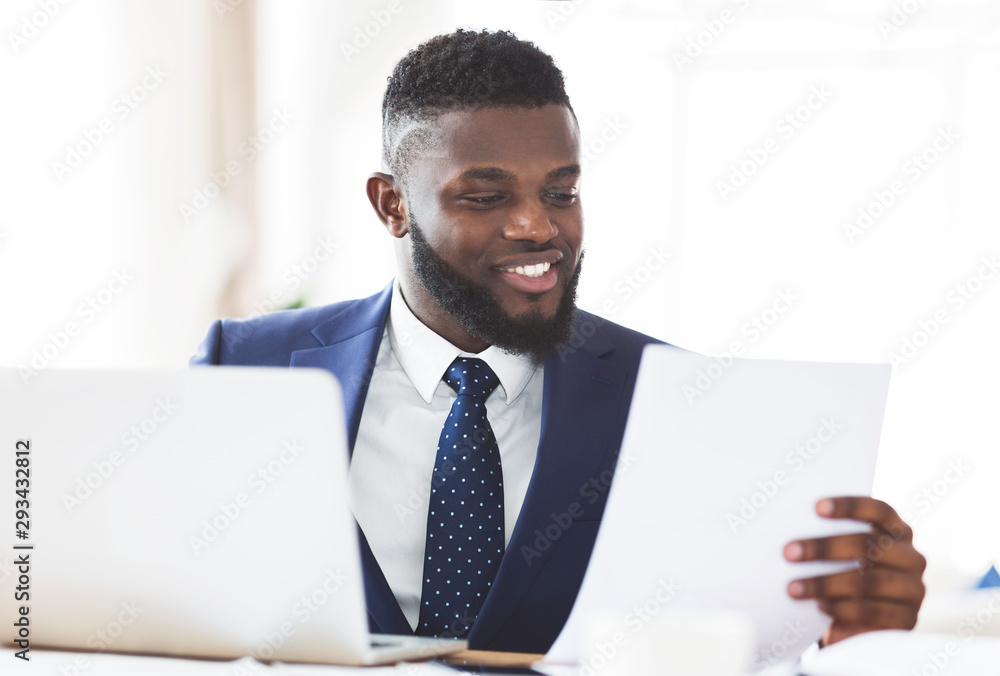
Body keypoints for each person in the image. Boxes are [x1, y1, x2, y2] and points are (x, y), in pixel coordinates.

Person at [191, 28, 925, 654]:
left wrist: (847, 632)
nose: (538, 227)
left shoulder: (678, 399)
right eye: (487, 197)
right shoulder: (245, 367)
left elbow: (739, 648)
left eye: (560, 192)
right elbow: (174, 603)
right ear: (393, 205)